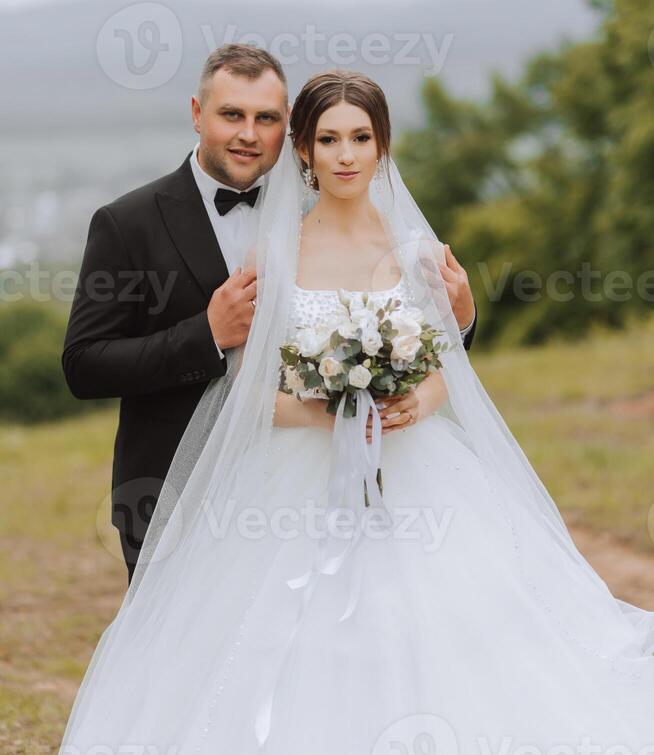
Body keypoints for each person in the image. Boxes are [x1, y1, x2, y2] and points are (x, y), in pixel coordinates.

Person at [44, 71, 653, 755]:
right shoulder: (272, 258)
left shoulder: (419, 254)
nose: (345, 155)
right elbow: (243, 388)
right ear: (302, 150)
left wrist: (418, 401)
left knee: (434, 624)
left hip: (416, 472)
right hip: (289, 476)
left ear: (382, 145)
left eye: (360, 137)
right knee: (286, 636)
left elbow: (444, 358)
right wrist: (318, 411)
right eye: (328, 139)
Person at [62, 47, 478, 583]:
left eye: (267, 119)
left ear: (290, 131)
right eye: (231, 114)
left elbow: (415, 335)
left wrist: (462, 319)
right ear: (197, 113)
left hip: (341, 476)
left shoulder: (328, 203)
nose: (249, 134)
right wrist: (206, 335)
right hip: (174, 489)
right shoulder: (128, 223)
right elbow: (84, 364)